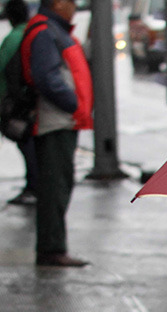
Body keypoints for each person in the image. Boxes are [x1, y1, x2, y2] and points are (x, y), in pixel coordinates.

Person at [17, 0, 91, 267]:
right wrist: (73, 104)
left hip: (62, 120)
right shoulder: (46, 32)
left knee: (59, 183)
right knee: (54, 186)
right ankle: (51, 248)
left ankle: (53, 247)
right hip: (55, 121)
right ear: (58, 3)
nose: (75, 8)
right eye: (72, 2)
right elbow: (46, 77)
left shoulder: (52, 29)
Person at [1, 0, 38, 207]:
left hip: (17, 103)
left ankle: (33, 186)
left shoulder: (13, 38)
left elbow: (3, 69)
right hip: (31, 101)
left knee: (26, 143)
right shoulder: (32, 33)